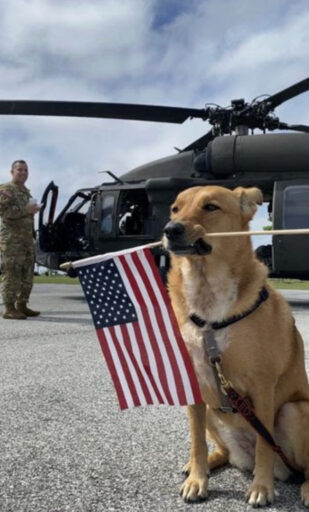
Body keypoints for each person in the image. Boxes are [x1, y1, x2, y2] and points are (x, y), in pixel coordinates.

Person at [0, 160, 41, 319]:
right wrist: (25, 209)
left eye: (25, 170)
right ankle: (9, 308)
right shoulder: (6, 189)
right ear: (12, 172)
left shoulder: (26, 193)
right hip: (12, 241)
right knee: (12, 272)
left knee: (27, 273)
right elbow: (4, 213)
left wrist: (33, 210)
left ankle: (22, 304)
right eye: (20, 170)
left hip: (26, 240)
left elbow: (25, 214)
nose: (23, 173)